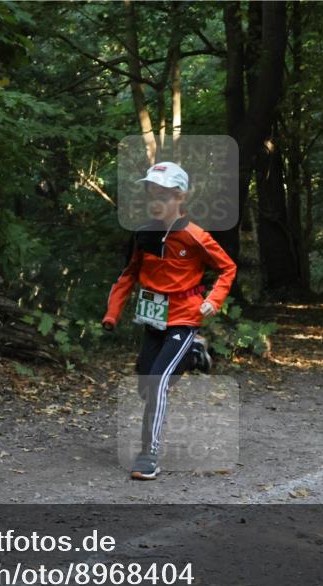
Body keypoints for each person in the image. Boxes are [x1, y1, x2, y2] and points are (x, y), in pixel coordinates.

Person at [101, 162, 237, 480]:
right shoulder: (143, 235)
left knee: (159, 381)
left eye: (163, 194)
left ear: (180, 196)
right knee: (146, 387)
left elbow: (227, 268)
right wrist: (112, 313)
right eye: (152, 193)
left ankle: (148, 455)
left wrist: (212, 300)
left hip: (184, 318)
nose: (156, 200)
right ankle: (192, 354)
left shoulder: (195, 236)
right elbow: (127, 275)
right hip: (153, 319)